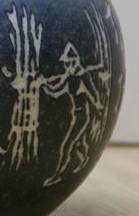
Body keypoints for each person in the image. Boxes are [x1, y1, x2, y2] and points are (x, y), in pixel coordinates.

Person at [42, 42, 104, 186]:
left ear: (75, 62)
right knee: (77, 142)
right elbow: (56, 91)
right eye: (66, 63)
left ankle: (59, 174)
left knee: (67, 145)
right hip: (75, 116)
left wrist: (98, 105)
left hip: (83, 116)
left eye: (69, 63)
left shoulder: (83, 77)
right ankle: (82, 158)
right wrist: (45, 85)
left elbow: (93, 94)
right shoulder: (68, 77)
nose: (67, 66)